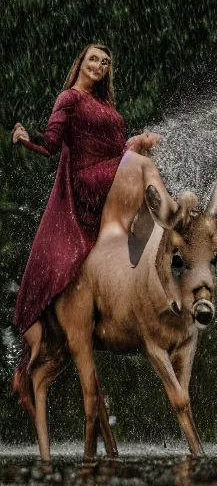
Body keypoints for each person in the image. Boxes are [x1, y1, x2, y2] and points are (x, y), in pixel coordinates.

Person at [11, 43, 161, 357]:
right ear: (81, 62)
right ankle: (166, 216)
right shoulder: (70, 98)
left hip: (110, 169)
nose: (99, 66)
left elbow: (116, 150)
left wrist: (136, 141)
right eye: (94, 59)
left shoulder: (105, 103)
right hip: (89, 177)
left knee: (141, 163)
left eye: (105, 62)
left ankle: (145, 235)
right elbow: (51, 143)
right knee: (143, 167)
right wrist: (28, 138)